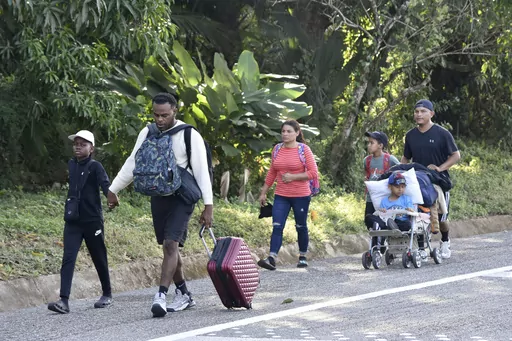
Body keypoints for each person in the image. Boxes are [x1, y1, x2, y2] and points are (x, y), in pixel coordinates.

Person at [106, 93, 213, 318]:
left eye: (164, 115)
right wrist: (113, 189)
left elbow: (202, 170)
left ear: (175, 110)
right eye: (156, 115)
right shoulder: (148, 132)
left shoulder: (188, 134)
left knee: (170, 244)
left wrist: (208, 205)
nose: (160, 119)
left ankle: (161, 296)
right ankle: (184, 293)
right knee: (168, 247)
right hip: (158, 194)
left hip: (182, 197)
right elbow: (134, 161)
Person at [48, 130, 113, 314]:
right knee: (68, 257)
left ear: (91, 148)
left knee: (99, 256)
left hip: (92, 220)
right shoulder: (72, 164)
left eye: (82, 144)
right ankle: (64, 301)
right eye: (76, 144)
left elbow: (106, 185)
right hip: (73, 219)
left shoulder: (96, 166)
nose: (78, 147)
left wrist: (111, 197)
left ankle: (107, 294)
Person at [401, 99, 460, 259]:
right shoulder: (410, 135)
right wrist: (400, 173)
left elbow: (456, 155)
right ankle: (422, 248)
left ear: (431, 114)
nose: (419, 114)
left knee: (441, 217)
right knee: (419, 216)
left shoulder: (442, 133)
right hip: (418, 182)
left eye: (423, 111)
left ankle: (445, 241)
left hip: (438, 182)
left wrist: (440, 168)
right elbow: (406, 158)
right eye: (416, 111)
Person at [257, 120, 319, 270]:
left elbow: (313, 173)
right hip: (281, 195)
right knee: (277, 226)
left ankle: (302, 256)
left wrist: (293, 177)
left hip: (301, 195)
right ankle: (272, 258)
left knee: (301, 225)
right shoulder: (277, 149)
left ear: (297, 133)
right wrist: (264, 192)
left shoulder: (304, 150)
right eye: (283, 131)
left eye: (289, 131)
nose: (285, 134)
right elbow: (272, 171)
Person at [363, 131, 399, 218]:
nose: (369, 145)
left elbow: (401, 171)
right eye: (368, 143)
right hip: (370, 197)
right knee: (369, 219)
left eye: (372, 143)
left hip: (385, 197)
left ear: (380, 145)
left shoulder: (390, 159)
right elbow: (367, 175)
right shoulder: (366, 160)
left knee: (383, 220)